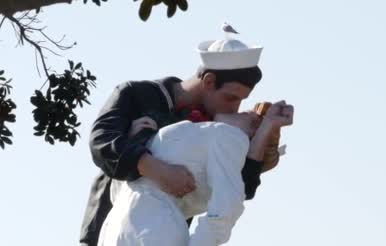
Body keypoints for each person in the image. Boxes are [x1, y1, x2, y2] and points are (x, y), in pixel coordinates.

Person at [80, 32, 293, 245]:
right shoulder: (136, 94)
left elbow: (239, 188)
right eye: (230, 97)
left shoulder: (216, 127)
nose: (234, 108)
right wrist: (156, 169)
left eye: (240, 101)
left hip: (162, 233)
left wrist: (266, 129)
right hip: (107, 228)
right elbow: (102, 143)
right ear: (209, 81)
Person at [97, 102, 292, 246]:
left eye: (252, 119)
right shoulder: (205, 137)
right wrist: (135, 144)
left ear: (249, 135)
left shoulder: (231, 137)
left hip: (143, 227)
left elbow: (226, 208)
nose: (246, 111)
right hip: (124, 225)